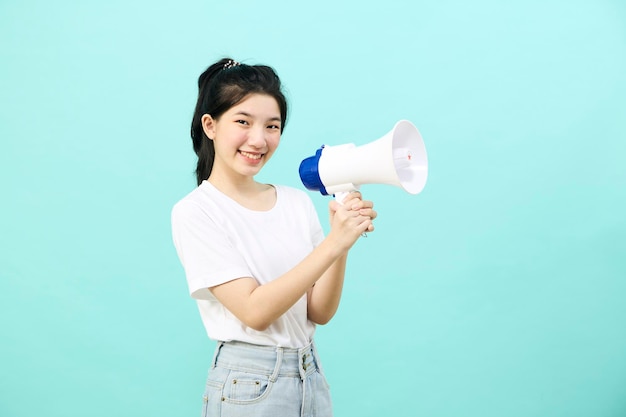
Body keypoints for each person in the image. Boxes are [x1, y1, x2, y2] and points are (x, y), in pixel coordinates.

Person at [171, 57, 377, 417]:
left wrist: (342, 243)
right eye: (242, 122)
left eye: (272, 126)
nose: (259, 139)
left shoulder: (296, 202)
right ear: (210, 125)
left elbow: (319, 311)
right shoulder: (196, 212)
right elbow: (255, 310)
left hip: (309, 373)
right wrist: (332, 244)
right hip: (248, 385)